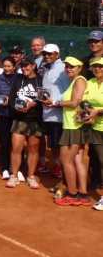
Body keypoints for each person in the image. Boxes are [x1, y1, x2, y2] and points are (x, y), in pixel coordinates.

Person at [53, 57, 90, 206]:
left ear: (79, 68)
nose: (68, 69)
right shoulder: (75, 81)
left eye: (72, 66)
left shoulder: (79, 80)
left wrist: (57, 103)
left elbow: (75, 102)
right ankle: (83, 195)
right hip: (74, 126)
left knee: (66, 161)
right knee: (77, 161)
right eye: (67, 66)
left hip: (73, 127)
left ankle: (72, 194)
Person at [6, 57, 43, 189]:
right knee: (16, 148)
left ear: (33, 66)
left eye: (27, 66)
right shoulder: (18, 79)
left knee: (33, 149)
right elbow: (11, 99)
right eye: (22, 66)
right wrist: (17, 107)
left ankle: (31, 176)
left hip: (35, 120)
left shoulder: (40, 80)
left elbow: (43, 99)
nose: (24, 68)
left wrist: (34, 104)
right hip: (19, 119)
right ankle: (14, 176)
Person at [40, 44, 69, 178]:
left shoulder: (63, 68)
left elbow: (68, 90)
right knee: (53, 143)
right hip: (48, 113)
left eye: (50, 54)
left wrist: (56, 102)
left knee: (59, 144)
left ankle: (61, 168)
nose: (47, 56)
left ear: (57, 54)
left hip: (59, 115)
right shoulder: (47, 67)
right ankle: (57, 166)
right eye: (45, 54)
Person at [82, 30, 103, 190]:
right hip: (91, 115)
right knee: (93, 152)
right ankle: (96, 180)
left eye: (97, 41)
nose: (93, 44)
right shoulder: (85, 60)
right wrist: (88, 111)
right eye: (91, 41)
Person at [83, 57, 103, 211]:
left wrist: (98, 111)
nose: (97, 69)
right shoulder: (89, 83)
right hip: (95, 129)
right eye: (95, 67)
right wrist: (87, 113)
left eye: (101, 67)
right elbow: (84, 102)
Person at [0, 57, 17, 179]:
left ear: (14, 67)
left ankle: (16, 168)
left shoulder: (19, 78)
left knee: (17, 143)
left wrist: (10, 100)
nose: (7, 68)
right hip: (3, 115)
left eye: (9, 66)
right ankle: (5, 168)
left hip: (17, 115)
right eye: (5, 66)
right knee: (4, 142)